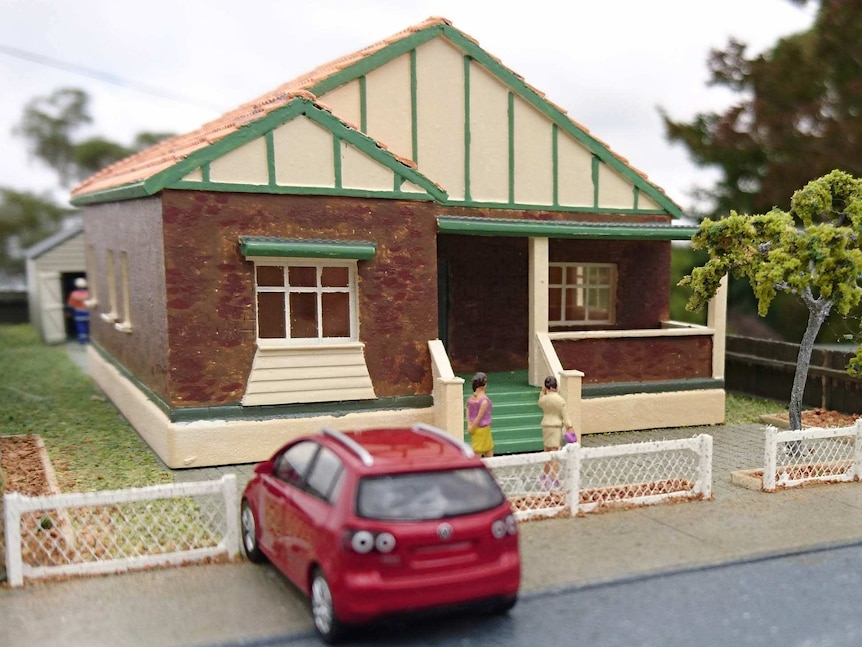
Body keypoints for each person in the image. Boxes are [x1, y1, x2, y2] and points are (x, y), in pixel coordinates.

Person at [537, 375, 576, 489]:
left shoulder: (543, 399)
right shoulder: (560, 400)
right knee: (555, 452)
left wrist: (542, 393)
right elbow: (565, 415)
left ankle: (545, 476)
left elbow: (540, 402)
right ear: (556, 386)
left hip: (545, 426)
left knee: (547, 451)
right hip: (555, 427)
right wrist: (569, 426)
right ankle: (554, 477)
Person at [466, 372, 494, 457]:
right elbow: (479, 417)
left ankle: (490, 466)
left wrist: (469, 425)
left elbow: (467, 411)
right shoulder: (484, 401)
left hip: (482, 429)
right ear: (484, 385)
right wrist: (472, 427)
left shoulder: (470, 399)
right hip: (481, 428)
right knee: (478, 450)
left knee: (488, 448)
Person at [66, 277, 90, 344]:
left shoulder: (73, 294)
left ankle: (82, 341)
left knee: (80, 327)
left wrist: (69, 312)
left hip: (78, 313)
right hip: (88, 312)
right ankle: (89, 339)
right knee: (88, 326)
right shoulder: (88, 293)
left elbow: (70, 305)